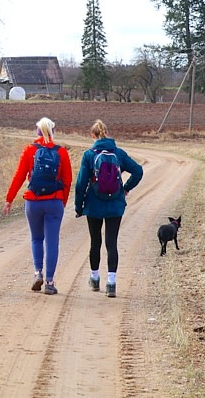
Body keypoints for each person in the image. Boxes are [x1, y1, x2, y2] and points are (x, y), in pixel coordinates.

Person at [3, 117, 72, 295]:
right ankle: (49, 282)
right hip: (54, 201)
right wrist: (62, 202)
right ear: (53, 131)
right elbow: (67, 180)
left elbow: (19, 176)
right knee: (52, 242)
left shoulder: (29, 150)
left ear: (37, 132)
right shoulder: (61, 152)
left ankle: (37, 273)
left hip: (33, 201)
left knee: (36, 238)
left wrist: (9, 199)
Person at [74, 119, 143, 298]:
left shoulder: (89, 155)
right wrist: (125, 188)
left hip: (93, 204)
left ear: (93, 135)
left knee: (95, 242)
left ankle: (95, 278)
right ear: (107, 133)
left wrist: (78, 206)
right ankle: (111, 283)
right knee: (111, 243)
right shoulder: (118, 153)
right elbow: (138, 171)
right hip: (115, 205)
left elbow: (81, 183)